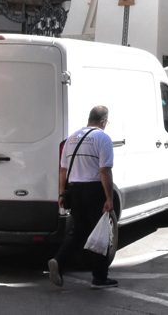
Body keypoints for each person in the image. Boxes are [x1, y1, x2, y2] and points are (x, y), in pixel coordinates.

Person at [49, 106, 117, 290]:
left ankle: (58, 260)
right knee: (100, 233)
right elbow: (104, 171)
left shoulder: (71, 138)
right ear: (103, 121)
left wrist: (62, 193)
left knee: (79, 231)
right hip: (94, 190)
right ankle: (99, 278)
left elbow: (63, 169)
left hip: (74, 190)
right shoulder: (102, 138)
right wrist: (109, 198)